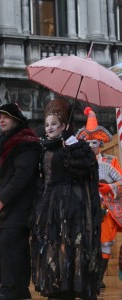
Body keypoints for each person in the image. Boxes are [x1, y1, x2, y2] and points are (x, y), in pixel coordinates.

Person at [30, 99, 102, 299]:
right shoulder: (44, 148)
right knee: (52, 246)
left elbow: (86, 166)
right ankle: (57, 286)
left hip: (70, 208)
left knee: (70, 245)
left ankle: (70, 285)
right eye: (46, 124)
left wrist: (70, 142)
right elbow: (42, 178)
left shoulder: (74, 146)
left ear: (63, 125)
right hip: (48, 207)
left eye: (54, 123)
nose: (49, 127)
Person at [0, 103, 41, 300]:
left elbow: (23, 175)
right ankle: (19, 291)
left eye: (6, 117)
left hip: (18, 206)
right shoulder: (6, 141)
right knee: (12, 249)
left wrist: (2, 198)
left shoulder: (26, 142)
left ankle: (10, 291)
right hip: (7, 209)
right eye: (0, 117)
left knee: (12, 248)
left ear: (17, 120)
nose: (1, 120)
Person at [75, 106, 122, 290]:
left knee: (104, 242)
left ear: (101, 144)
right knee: (84, 240)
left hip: (106, 208)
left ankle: (99, 277)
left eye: (94, 142)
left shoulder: (111, 162)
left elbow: (120, 182)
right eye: (87, 142)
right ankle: (86, 275)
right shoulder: (78, 162)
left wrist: (108, 186)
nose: (90, 145)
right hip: (83, 206)